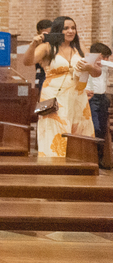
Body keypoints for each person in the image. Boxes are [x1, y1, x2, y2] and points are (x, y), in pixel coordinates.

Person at [23, 16, 96, 157]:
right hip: (55, 97)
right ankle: (54, 169)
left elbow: (91, 67)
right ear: (57, 30)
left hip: (77, 96)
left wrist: (89, 82)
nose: (70, 31)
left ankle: (79, 172)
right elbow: (28, 61)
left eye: (73, 28)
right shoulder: (47, 47)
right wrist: (33, 45)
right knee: (56, 131)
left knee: (79, 132)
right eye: (66, 28)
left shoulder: (79, 46)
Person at [87, 42, 112, 168]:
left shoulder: (105, 66)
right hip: (92, 98)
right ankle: (92, 157)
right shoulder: (89, 64)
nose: (107, 59)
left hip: (102, 98)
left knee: (102, 129)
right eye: (104, 56)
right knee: (94, 128)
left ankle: (100, 158)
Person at [31, 18, 53, 91]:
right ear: (38, 33)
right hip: (41, 76)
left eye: (49, 34)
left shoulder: (57, 45)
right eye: (44, 34)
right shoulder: (37, 45)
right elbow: (31, 60)